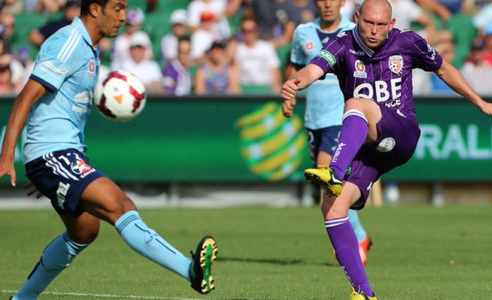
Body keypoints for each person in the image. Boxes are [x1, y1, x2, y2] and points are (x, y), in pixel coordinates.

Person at [280, 0, 492, 299]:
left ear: (392, 24)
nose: (374, 30)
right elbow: (314, 68)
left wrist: (480, 102)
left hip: (403, 133)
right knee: (332, 206)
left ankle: (333, 170)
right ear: (356, 17)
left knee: (355, 104)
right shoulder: (342, 43)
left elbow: (444, 69)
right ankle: (364, 293)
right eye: (368, 23)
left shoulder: (408, 41)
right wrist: (296, 81)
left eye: (381, 25)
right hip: (371, 145)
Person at [0, 1, 218, 299]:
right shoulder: (68, 41)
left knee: (84, 232)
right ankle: (190, 270)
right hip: (54, 154)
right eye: (117, 7)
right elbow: (25, 97)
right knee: (121, 206)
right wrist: (11, 157)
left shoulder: (92, 48)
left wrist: (46, 169)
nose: (123, 16)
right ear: (94, 8)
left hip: (61, 155)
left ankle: (21, 298)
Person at [282, 0, 372, 265]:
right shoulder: (303, 32)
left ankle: (352, 244)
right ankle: (359, 235)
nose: (328, 4)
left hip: (341, 116)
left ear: (342, 2)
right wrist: (290, 94)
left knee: (327, 176)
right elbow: (295, 64)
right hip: (314, 118)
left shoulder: (354, 31)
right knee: (329, 186)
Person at [235, 16, 282, 93]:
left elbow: (274, 70)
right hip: (245, 89)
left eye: (250, 30)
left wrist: (276, 91)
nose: (247, 34)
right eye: (244, 31)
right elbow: (234, 73)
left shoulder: (267, 47)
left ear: (257, 31)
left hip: (265, 88)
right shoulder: (238, 49)